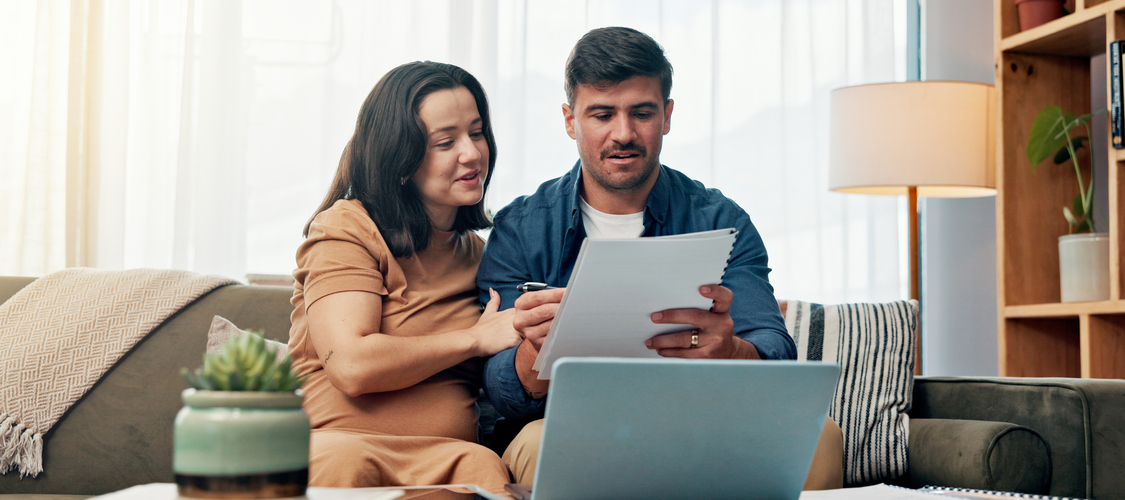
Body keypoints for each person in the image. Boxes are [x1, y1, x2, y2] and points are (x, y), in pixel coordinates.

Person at [476, 27, 844, 489]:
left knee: (821, 436)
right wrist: (536, 351)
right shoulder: (522, 227)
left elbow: (772, 347)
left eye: (642, 113)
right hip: (568, 423)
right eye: (602, 114)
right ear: (571, 121)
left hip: (698, 417)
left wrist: (730, 352)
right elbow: (500, 390)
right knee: (537, 443)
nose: (623, 133)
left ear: (667, 116)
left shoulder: (720, 219)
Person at [287, 61, 522, 496]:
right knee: (343, 461)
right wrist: (472, 339)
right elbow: (353, 364)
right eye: (445, 142)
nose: (471, 153)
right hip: (341, 449)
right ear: (400, 159)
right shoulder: (347, 229)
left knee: (484, 464)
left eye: (476, 132)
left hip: (451, 456)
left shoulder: (483, 255)